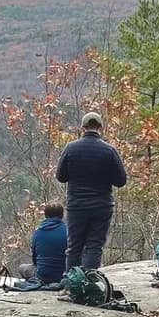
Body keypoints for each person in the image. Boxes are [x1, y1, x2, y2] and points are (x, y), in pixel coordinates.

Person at [55, 111, 127, 271]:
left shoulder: (71, 148)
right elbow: (121, 181)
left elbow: (61, 176)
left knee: (74, 247)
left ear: (83, 128)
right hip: (101, 206)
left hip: (76, 206)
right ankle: (89, 281)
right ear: (100, 127)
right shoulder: (109, 151)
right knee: (94, 246)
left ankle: (72, 282)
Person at [19, 202, 68, 284]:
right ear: (62, 215)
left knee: (22, 268)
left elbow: (35, 260)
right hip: (63, 276)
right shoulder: (69, 231)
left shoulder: (38, 232)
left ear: (45, 215)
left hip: (42, 276)